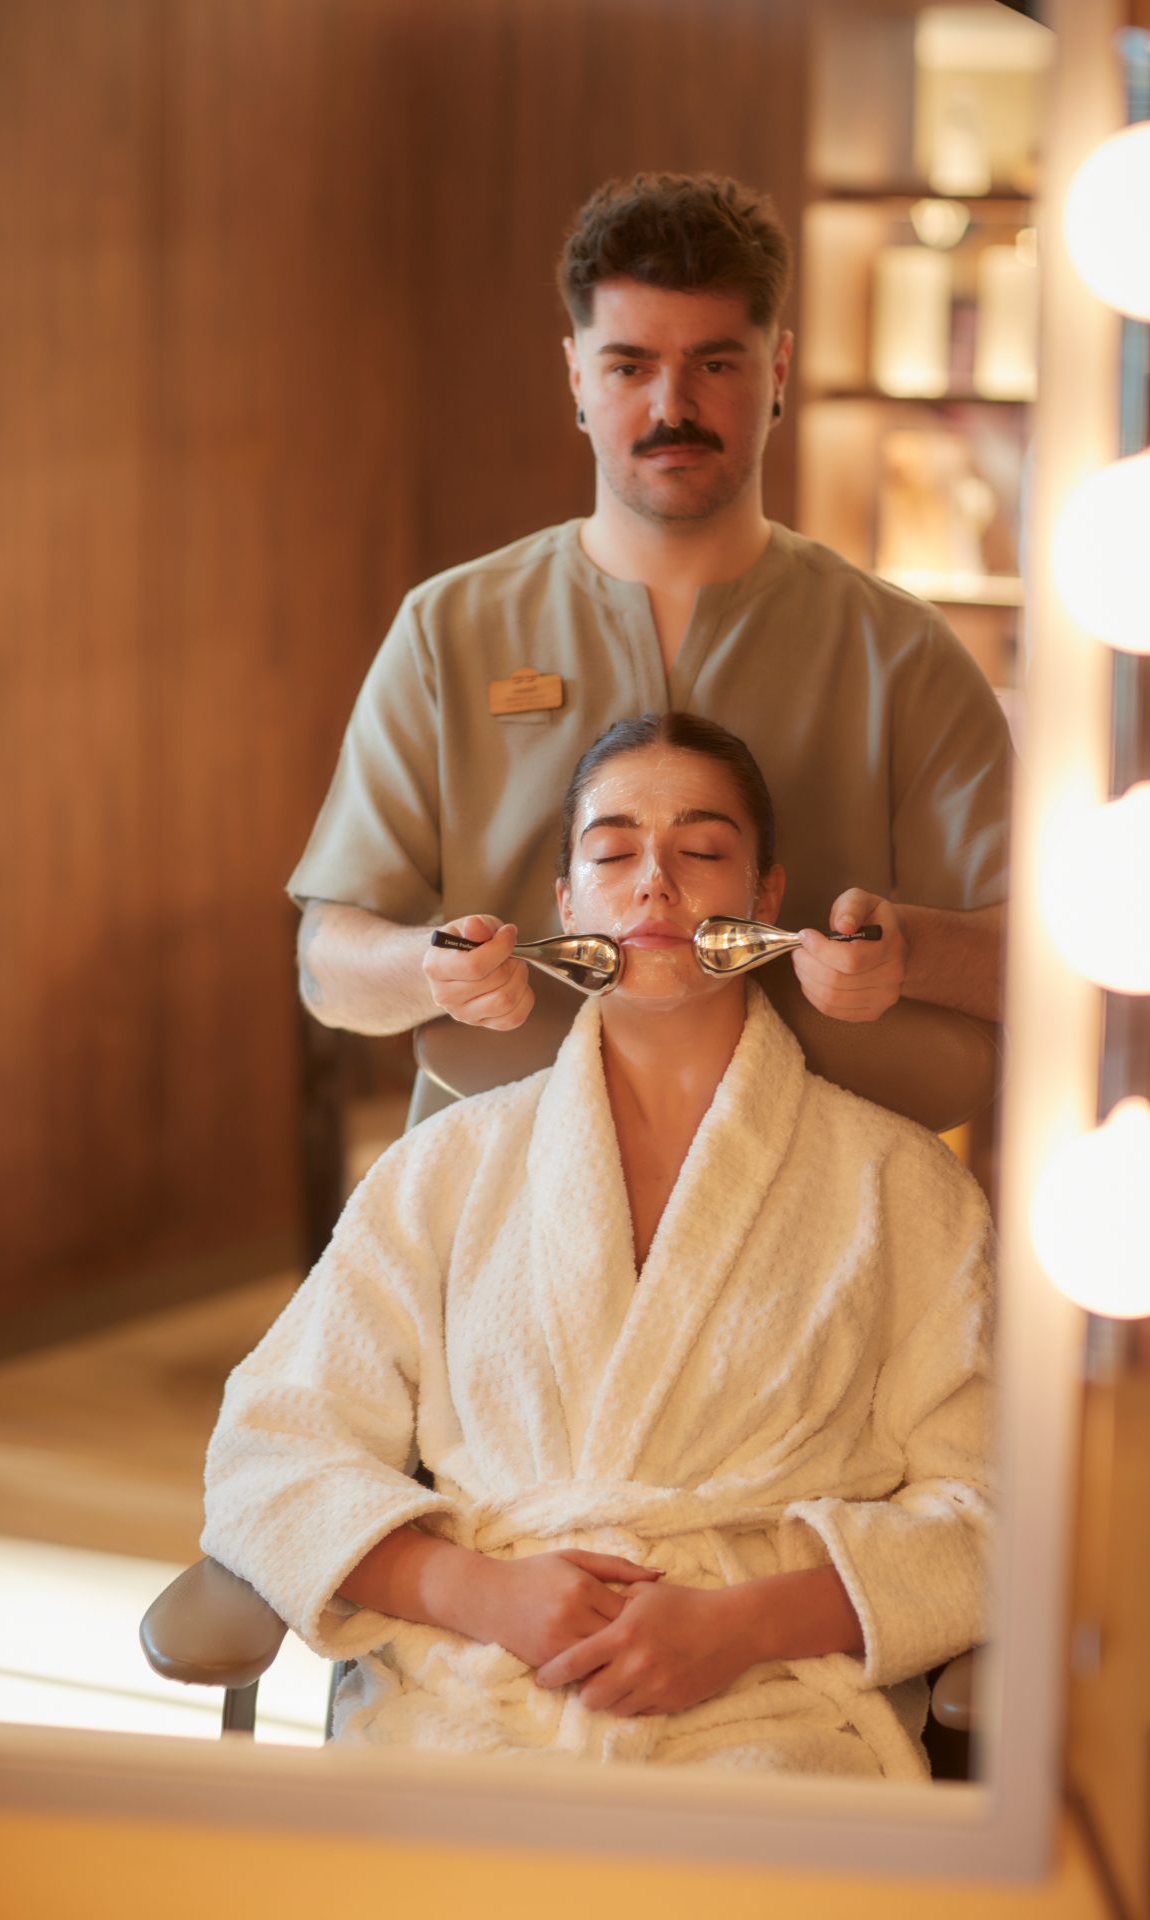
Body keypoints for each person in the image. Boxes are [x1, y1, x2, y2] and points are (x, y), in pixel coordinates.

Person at [204, 714, 992, 1776]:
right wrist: (474, 1590)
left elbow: (994, 1511)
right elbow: (271, 1451)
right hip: (472, 1694)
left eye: (702, 851)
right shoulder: (445, 1169)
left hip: (768, 1715)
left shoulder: (899, 1186)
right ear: (567, 905)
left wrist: (745, 1626)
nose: (654, 883)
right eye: (612, 853)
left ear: (764, 900)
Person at [291, 172, 1012, 1118]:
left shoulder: (901, 653)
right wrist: (432, 971)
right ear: (577, 376)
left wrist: (908, 952)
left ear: (780, 370)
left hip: (827, 1206)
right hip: (512, 1195)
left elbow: (1048, 965)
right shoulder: (449, 631)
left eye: (715, 364)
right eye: (630, 366)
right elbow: (327, 968)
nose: (673, 407)